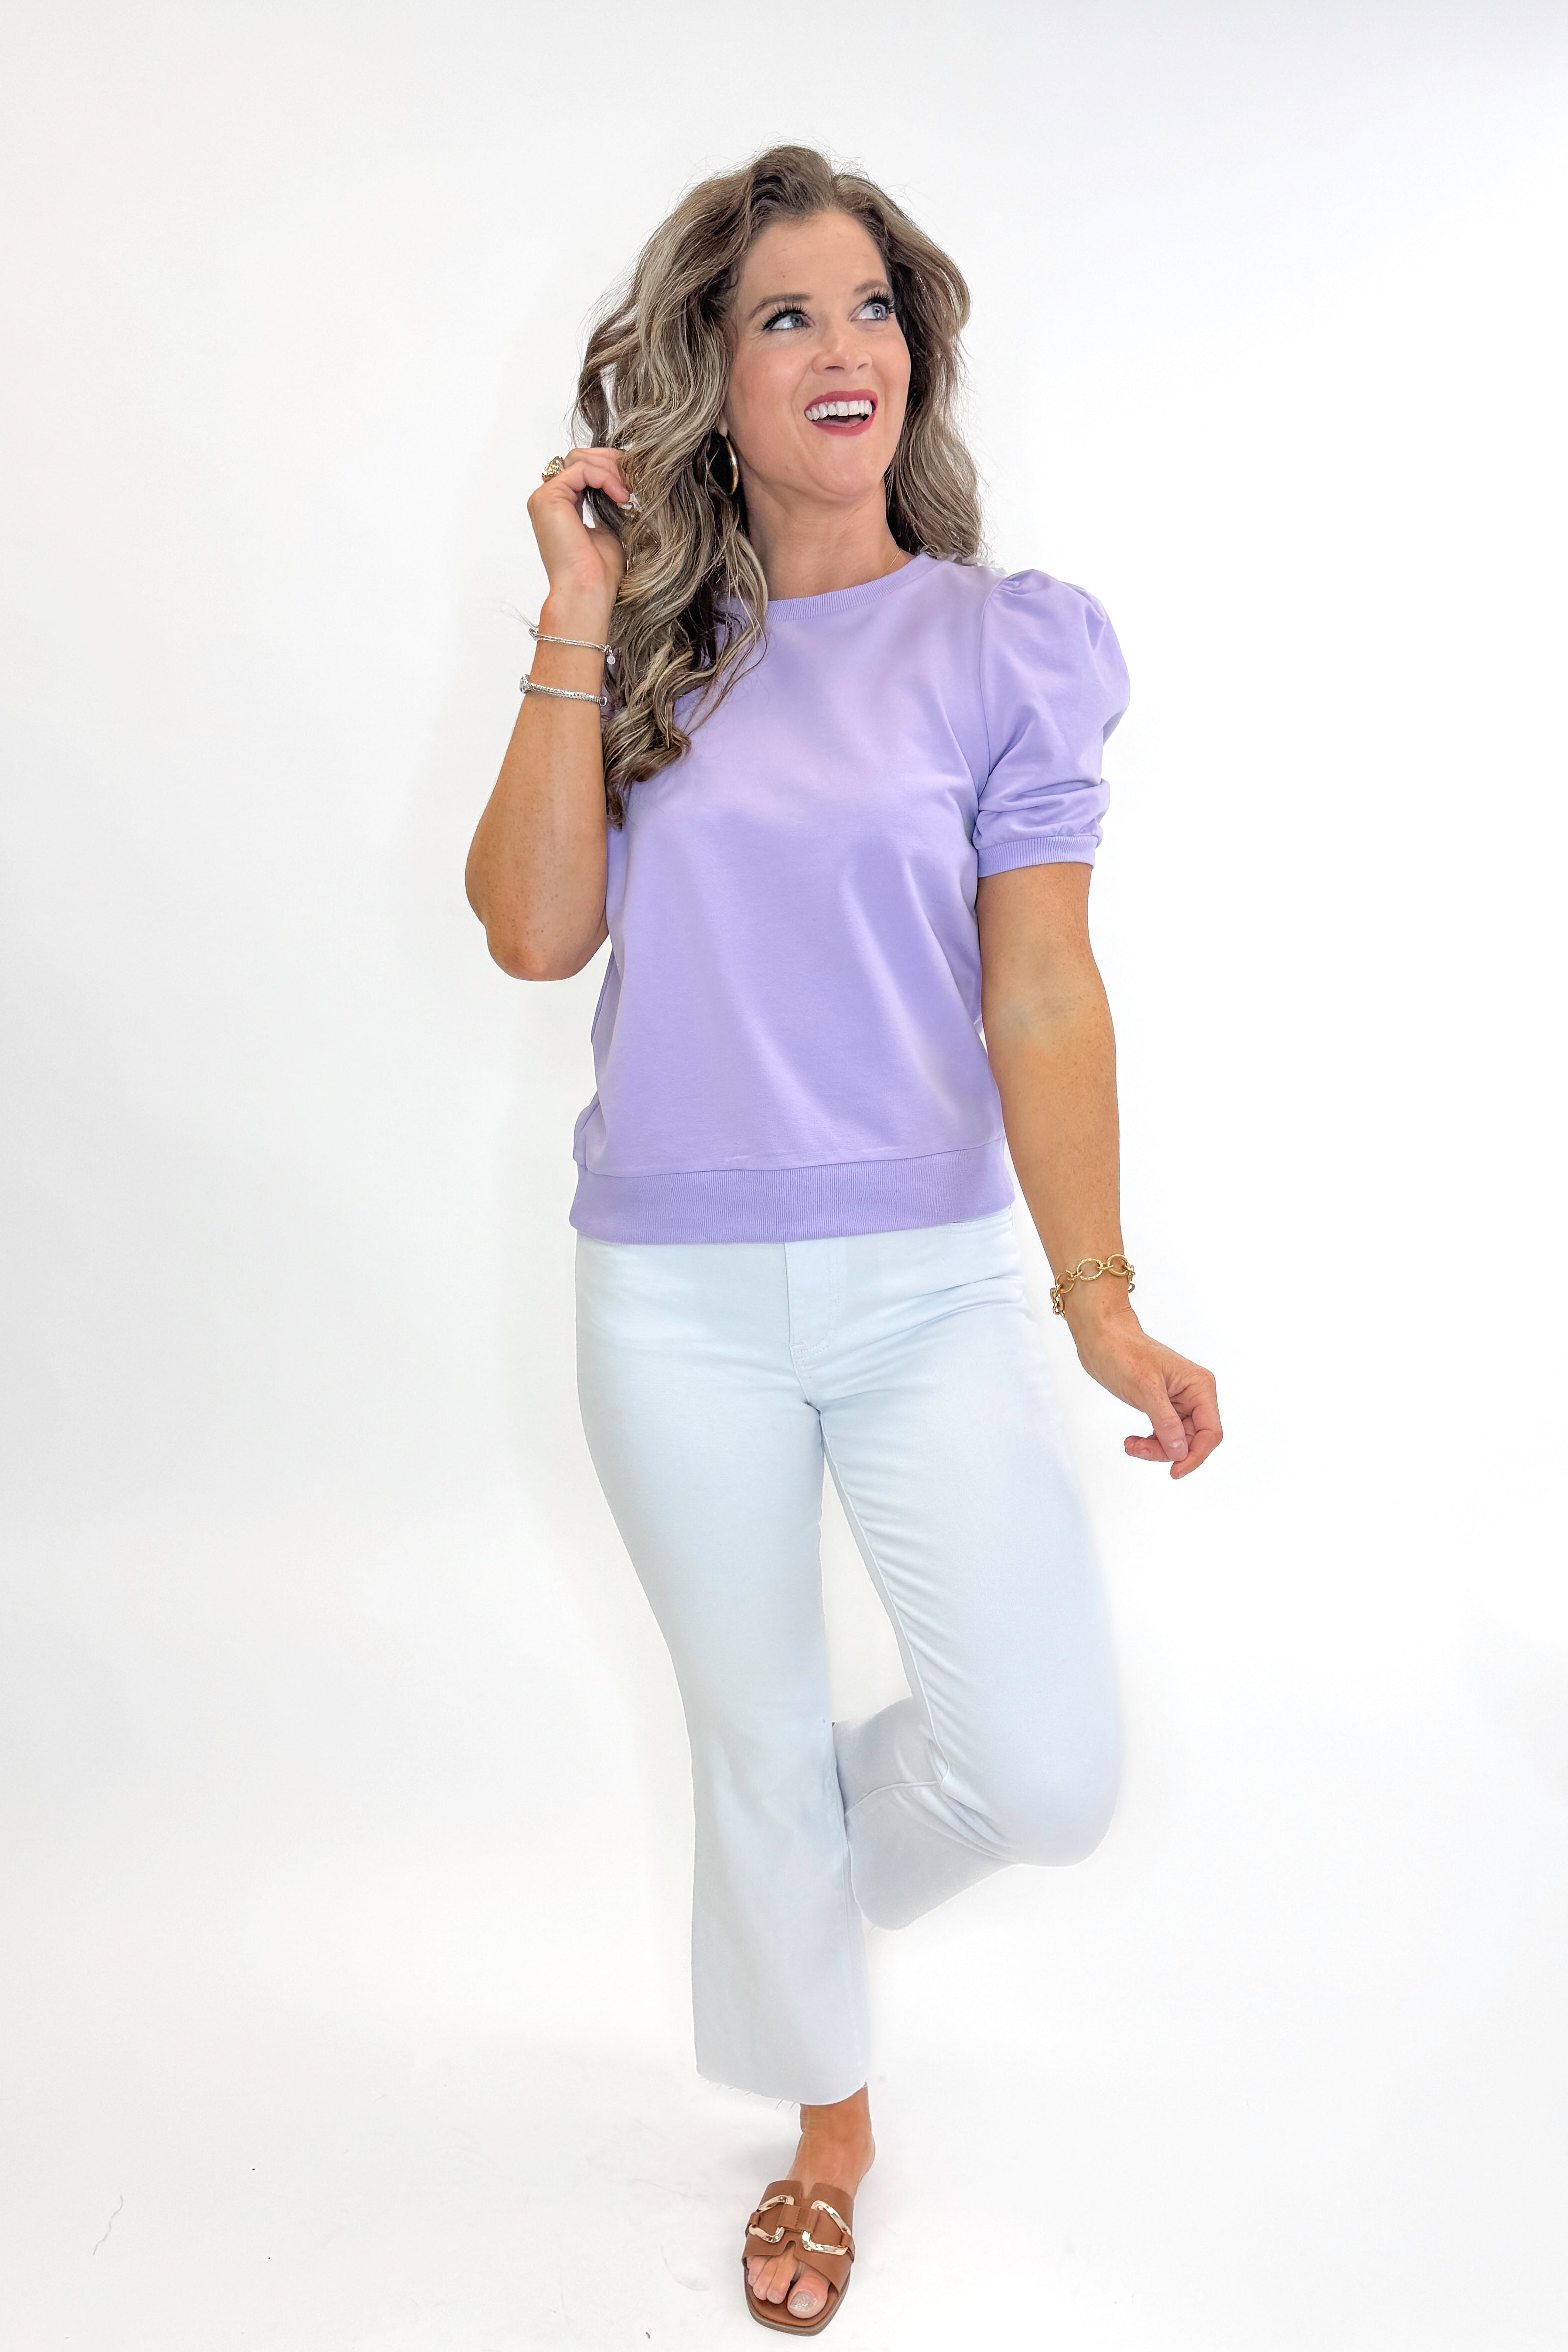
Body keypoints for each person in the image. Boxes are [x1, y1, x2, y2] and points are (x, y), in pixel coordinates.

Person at [465, 142, 1222, 2335]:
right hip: (671, 1296)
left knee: (1041, 1771)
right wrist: (576, 610)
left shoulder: (1005, 647)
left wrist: (1104, 1301)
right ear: (713, 359)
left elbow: (1044, 992)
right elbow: (531, 937)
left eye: (874, 307)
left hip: (923, 1285)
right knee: (752, 1728)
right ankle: (829, 2124)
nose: (843, 347)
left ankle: (784, 1908)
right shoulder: (653, 644)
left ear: (921, 353)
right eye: (786, 312)